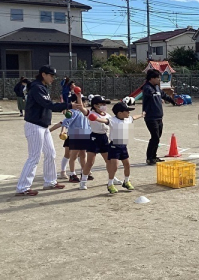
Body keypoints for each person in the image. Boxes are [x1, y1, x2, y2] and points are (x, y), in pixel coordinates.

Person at [15, 65, 71, 196]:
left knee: (51, 153)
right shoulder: (37, 88)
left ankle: (50, 182)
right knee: (34, 157)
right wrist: (68, 105)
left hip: (43, 126)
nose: (53, 78)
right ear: (43, 74)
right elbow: (48, 105)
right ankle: (22, 187)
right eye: (51, 75)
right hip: (34, 125)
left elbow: (47, 104)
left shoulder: (41, 87)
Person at [91, 101, 143, 193]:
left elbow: (134, 117)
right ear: (120, 113)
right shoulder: (112, 120)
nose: (129, 112)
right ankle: (110, 184)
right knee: (114, 166)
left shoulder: (128, 119)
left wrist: (142, 114)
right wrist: (95, 118)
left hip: (123, 145)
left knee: (127, 165)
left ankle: (126, 181)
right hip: (114, 146)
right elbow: (104, 120)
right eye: (127, 111)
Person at [78, 95, 123, 190]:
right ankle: (83, 181)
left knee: (109, 161)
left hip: (104, 138)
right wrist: (78, 95)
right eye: (101, 104)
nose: (104, 106)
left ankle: (112, 178)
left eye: (104, 104)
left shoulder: (107, 115)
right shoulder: (91, 113)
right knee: (90, 161)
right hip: (94, 137)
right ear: (95, 105)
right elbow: (81, 108)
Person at [142, 68, 176, 165]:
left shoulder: (157, 87)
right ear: (151, 78)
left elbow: (164, 95)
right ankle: (149, 158)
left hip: (159, 117)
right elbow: (148, 93)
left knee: (158, 137)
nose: (159, 80)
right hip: (150, 117)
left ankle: (154, 156)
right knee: (155, 137)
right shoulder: (147, 88)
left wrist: (172, 101)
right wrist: (153, 93)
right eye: (157, 78)